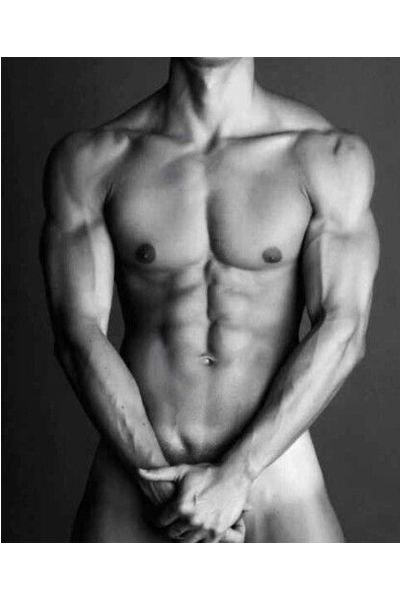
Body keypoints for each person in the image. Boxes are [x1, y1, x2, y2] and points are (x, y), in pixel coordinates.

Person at [40, 57, 379, 542]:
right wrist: (155, 480)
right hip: (136, 474)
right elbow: (77, 332)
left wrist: (238, 474)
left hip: (273, 475)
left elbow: (343, 329)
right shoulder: (94, 160)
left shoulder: (327, 157)